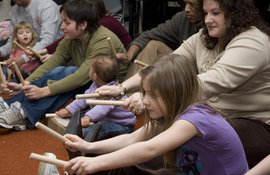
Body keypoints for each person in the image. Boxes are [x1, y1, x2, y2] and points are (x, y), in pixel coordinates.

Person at [96, 0, 270, 169]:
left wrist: (151, 94)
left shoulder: (253, 42)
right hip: (211, 117)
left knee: (167, 148)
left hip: (255, 124)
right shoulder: (206, 36)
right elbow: (160, 72)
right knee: (159, 142)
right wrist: (122, 88)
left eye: (216, 13)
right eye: (205, 13)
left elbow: (210, 82)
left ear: (235, 13)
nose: (207, 20)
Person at [63, 54, 249, 175]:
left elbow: (148, 149)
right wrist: (88, 147)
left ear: (174, 93)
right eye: (144, 92)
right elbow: (132, 139)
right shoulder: (170, 114)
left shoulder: (195, 118)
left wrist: (96, 164)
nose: (144, 100)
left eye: (153, 95)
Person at [0, 0, 130, 131]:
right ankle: (12, 106)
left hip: (111, 94)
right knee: (61, 69)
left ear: (83, 24)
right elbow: (53, 62)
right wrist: (25, 83)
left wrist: (44, 91)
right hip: (92, 85)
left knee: (69, 72)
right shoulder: (73, 37)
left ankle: (23, 113)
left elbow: (80, 77)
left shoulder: (102, 39)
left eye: (66, 22)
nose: (61, 27)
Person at [118, 0, 211, 79]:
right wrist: (129, 56)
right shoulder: (183, 18)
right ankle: (127, 92)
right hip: (183, 68)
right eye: (185, 3)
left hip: (203, 77)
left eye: (193, 5)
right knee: (153, 46)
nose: (187, 9)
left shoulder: (216, 26)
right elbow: (148, 35)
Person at [0, 0, 63, 72]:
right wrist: (1, 52)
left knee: (14, 72)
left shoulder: (47, 6)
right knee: (7, 70)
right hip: (28, 55)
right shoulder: (15, 11)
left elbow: (48, 41)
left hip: (49, 54)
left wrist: (23, 58)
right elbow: (13, 40)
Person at [35, 0, 133, 63]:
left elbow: (68, 38)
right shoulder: (101, 21)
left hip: (117, 66)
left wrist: (52, 55)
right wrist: (46, 50)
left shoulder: (104, 24)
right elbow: (66, 40)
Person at [56, 53, 136, 140]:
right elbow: (84, 98)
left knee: (103, 127)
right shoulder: (95, 84)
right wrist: (68, 110)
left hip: (122, 124)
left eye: (90, 68)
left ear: (94, 76)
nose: (89, 70)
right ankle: (74, 126)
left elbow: (103, 107)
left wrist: (88, 117)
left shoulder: (113, 90)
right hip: (106, 117)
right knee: (81, 114)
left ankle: (83, 136)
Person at [0, 21, 40, 88]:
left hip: (27, 74)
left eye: (27, 32)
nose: (25, 34)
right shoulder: (15, 48)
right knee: (5, 69)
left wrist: (21, 68)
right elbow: (10, 60)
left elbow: (35, 64)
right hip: (14, 71)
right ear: (16, 36)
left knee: (15, 76)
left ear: (32, 34)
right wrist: (9, 70)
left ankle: (10, 84)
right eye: (21, 33)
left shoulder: (34, 48)